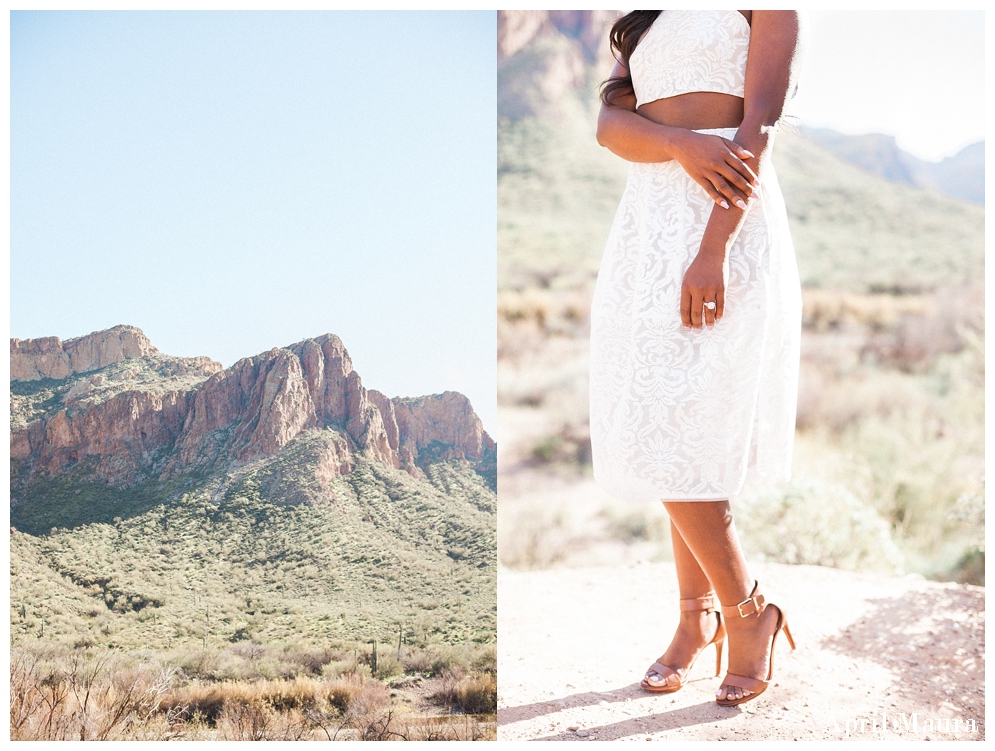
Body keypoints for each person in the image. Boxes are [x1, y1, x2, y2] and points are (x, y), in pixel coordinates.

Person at [590, 10, 802, 706]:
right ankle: (696, 619)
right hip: (648, 221)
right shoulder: (639, 20)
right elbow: (609, 127)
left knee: (684, 421)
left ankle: (745, 614)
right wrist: (679, 145)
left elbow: (758, 125)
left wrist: (712, 247)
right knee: (662, 417)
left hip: (726, 216)